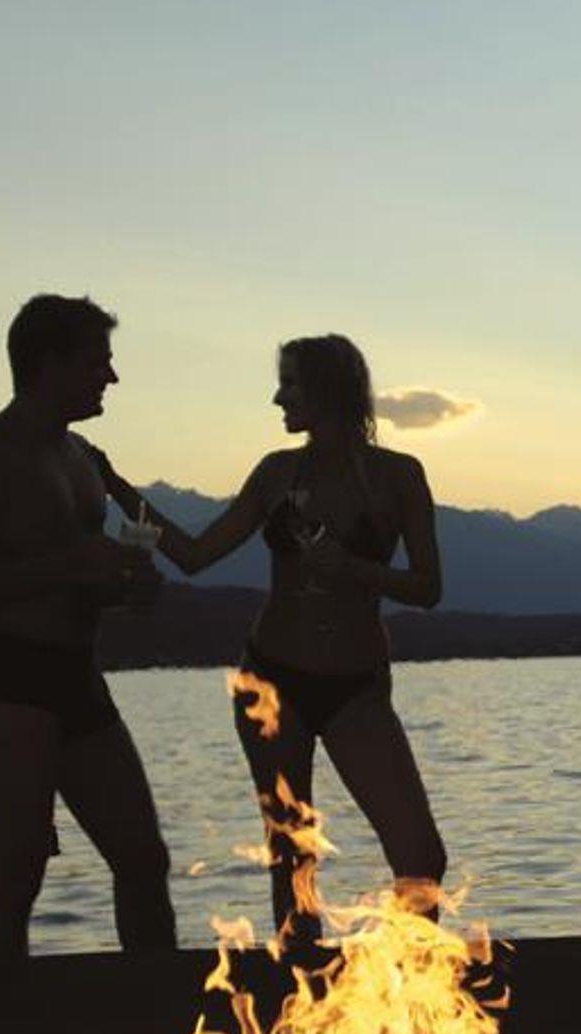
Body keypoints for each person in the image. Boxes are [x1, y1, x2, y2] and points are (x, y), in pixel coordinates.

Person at [99, 335, 447, 945]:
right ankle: (299, 987)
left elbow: (427, 587)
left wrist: (353, 569)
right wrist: (115, 485)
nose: (277, 398)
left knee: (421, 856)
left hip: (357, 688)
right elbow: (195, 555)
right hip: (272, 682)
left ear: (328, 391)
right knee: (292, 860)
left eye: (290, 384)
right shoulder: (276, 473)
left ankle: (412, 981)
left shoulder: (399, 476)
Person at [0, 294, 178, 969]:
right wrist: (72, 565)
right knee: (17, 872)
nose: (111, 377)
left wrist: (126, 588)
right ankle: (2, 1019)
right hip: (3, 675)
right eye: (99, 362)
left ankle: (155, 1009)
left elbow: (81, 577)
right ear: (49, 363)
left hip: (76, 675)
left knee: (143, 857)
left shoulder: (82, 458)